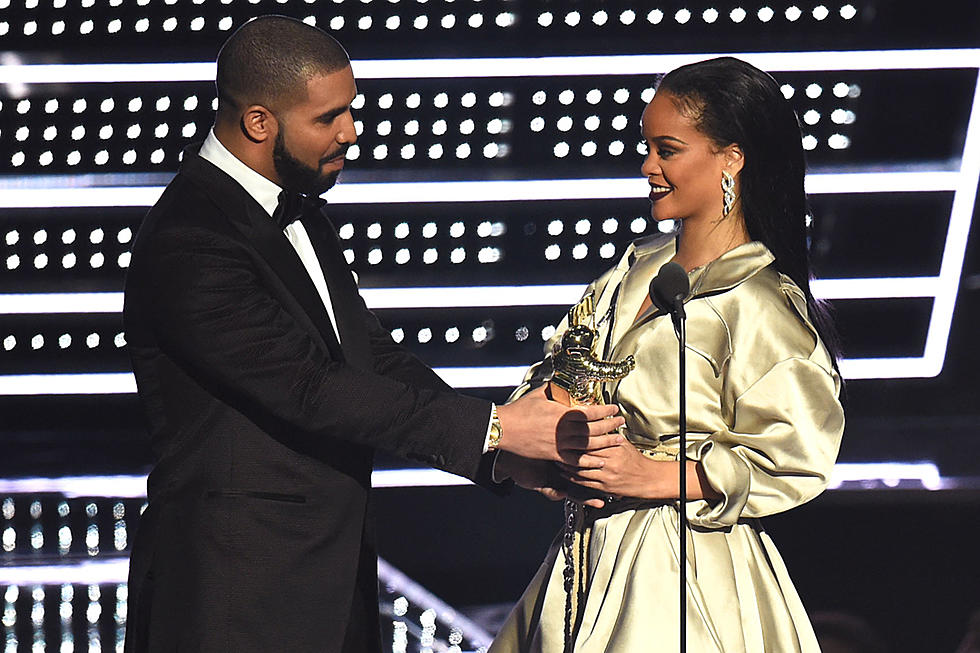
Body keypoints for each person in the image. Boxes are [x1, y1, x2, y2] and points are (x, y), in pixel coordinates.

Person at [121, 15, 623, 653]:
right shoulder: (190, 241)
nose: (350, 134)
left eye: (350, 111)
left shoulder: (300, 211)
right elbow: (311, 388)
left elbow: (371, 357)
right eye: (327, 118)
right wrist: (494, 425)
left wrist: (500, 454)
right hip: (234, 595)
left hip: (327, 585)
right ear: (258, 123)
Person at [489, 57, 846, 652]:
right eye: (647, 147)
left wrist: (651, 475)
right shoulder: (632, 271)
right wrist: (548, 448)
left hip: (685, 569)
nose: (649, 166)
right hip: (587, 549)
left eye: (668, 149)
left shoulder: (758, 304)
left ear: (731, 158)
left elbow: (800, 457)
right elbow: (563, 371)